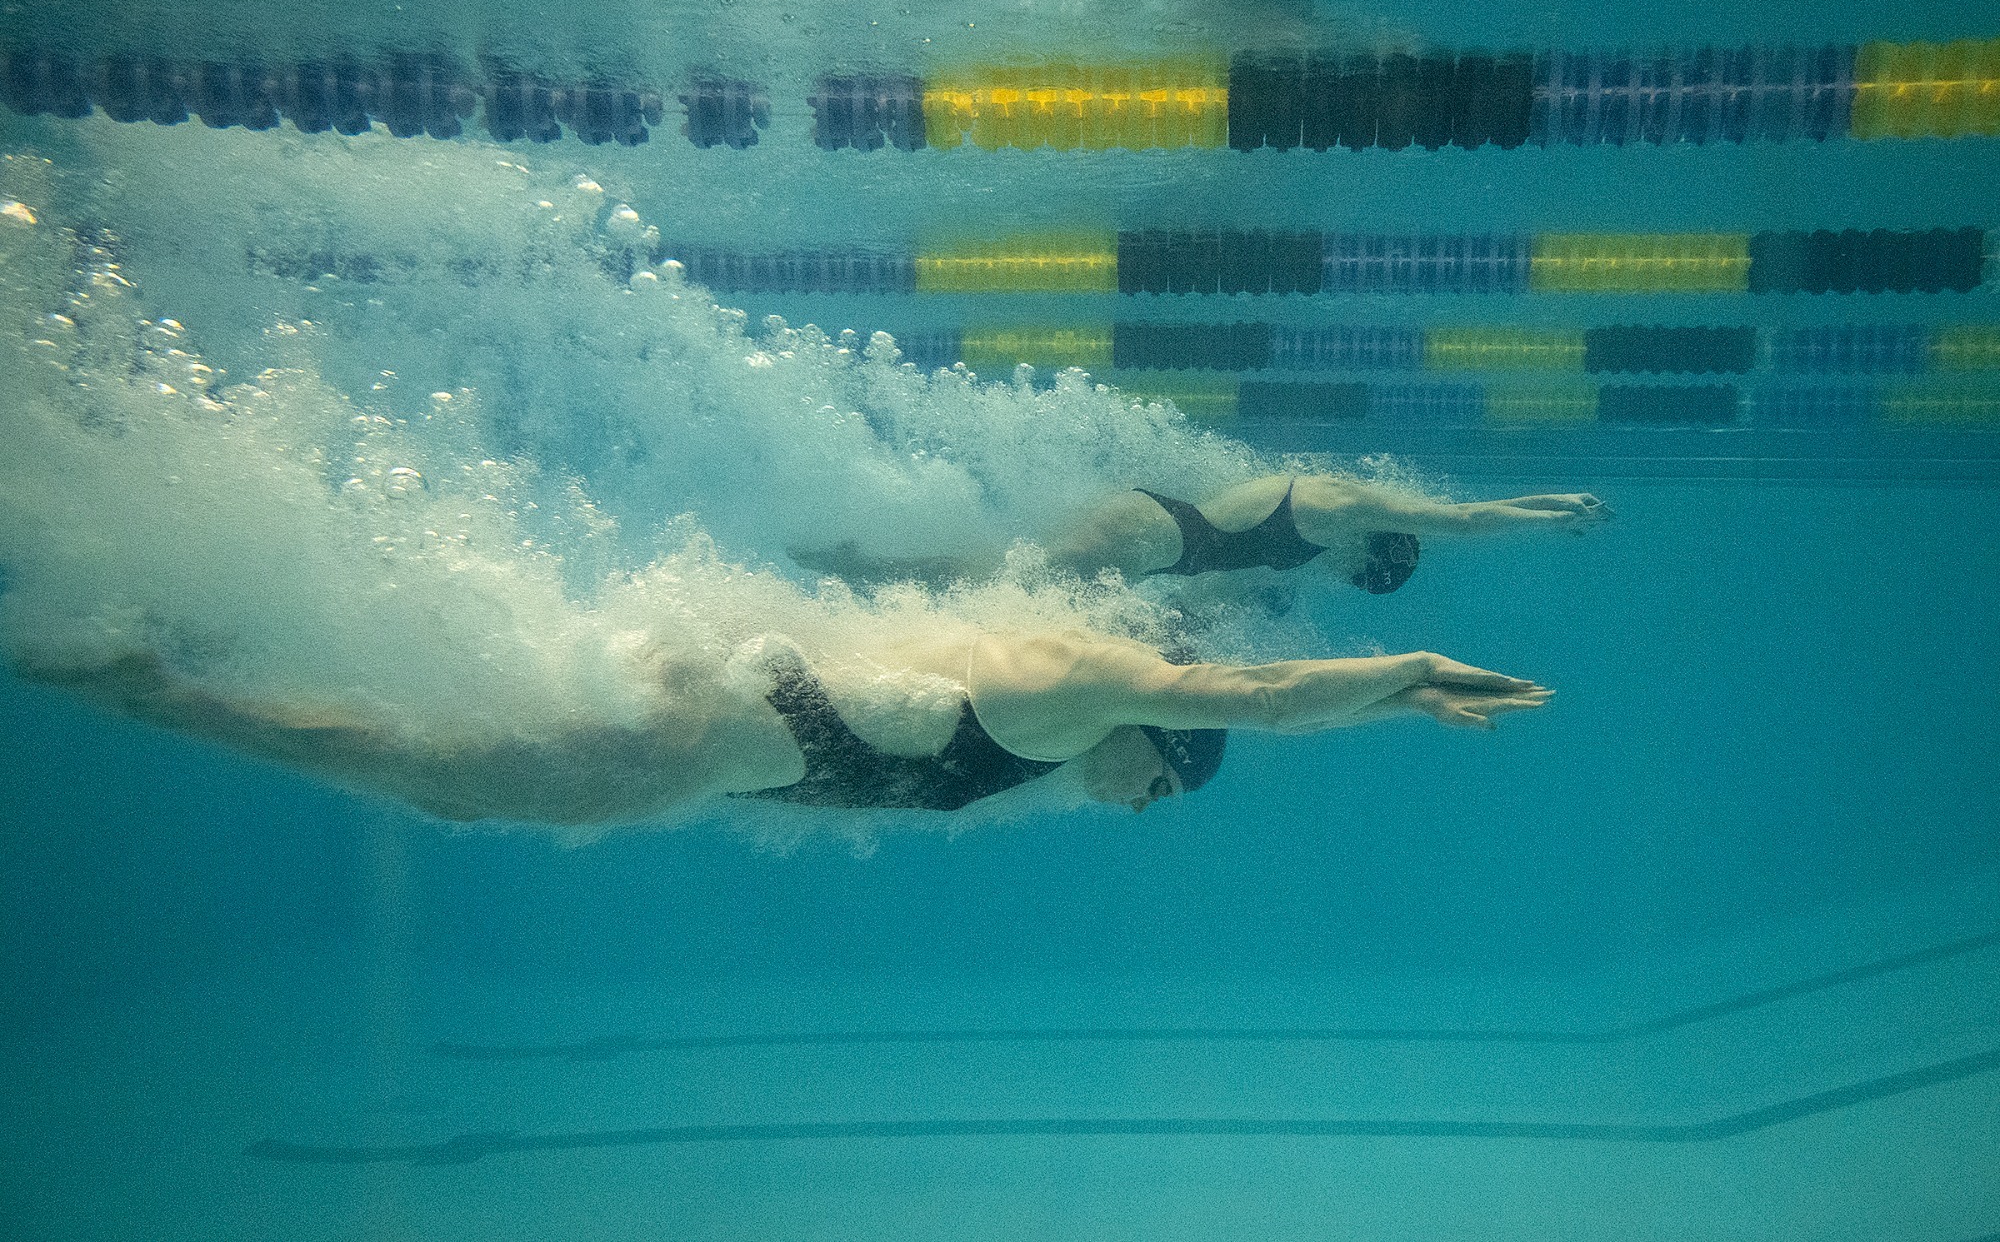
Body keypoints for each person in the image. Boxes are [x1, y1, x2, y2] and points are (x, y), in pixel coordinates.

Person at [19, 623, 1550, 827]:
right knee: (448, 785)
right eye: (1169, 784)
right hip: (724, 721)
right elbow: (1265, 699)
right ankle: (165, 689)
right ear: (1158, 737)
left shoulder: (1046, 755)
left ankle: (181, 674)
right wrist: (1408, 676)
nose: (1148, 806)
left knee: (450, 764)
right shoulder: (1081, 688)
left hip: (733, 712)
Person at [795, 474, 1613, 593]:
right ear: (1376, 544)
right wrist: (1551, 513)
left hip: (1162, 547)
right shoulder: (1336, 507)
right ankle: (866, 569)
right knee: (1016, 581)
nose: (1351, 584)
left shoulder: (1323, 545)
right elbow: (1464, 520)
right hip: (1157, 533)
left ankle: (869, 567)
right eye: (1369, 579)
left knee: (1006, 576)